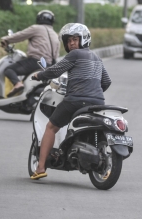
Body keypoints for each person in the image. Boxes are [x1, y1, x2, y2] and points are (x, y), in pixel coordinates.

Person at [29, 23, 112, 180]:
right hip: (98, 102)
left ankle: (40, 168)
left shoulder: (75, 55)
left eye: (75, 39)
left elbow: (55, 70)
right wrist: (93, 92)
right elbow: (106, 82)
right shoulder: (97, 58)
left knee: (51, 127)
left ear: (84, 40)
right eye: (69, 41)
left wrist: (39, 75)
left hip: (76, 100)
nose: (71, 43)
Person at [0, 10, 60, 97]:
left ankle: (17, 84)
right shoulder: (55, 35)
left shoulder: (36, 28)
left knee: (9, 70)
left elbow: (21, 35)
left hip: (35, 62)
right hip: (48, 66)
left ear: (38, 19)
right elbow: (56, 55)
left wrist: (6, 40)